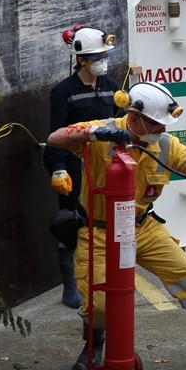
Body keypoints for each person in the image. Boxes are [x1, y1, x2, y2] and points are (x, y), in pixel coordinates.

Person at [45, 80, 186, 370]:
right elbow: (55, 138)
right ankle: (94, 346)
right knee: (98, 303)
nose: (163, 130)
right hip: (98, 230)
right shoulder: (101, 132)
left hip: (142, 227)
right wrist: (93, 133)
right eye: (157, 124)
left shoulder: (164, 145)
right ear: (134, 119)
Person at [43, 25, 120, 308]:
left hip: (106, 167)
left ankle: (107, 278)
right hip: (76, 168)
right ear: (82, 59)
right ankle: (71, 286)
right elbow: (56, 135)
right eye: (97, 56)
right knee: (71, 223)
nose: (103, 60)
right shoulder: (63, 92)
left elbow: (123, 125)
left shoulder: (112, 88)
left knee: (107, 223)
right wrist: (57, 169)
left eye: (104, 55)